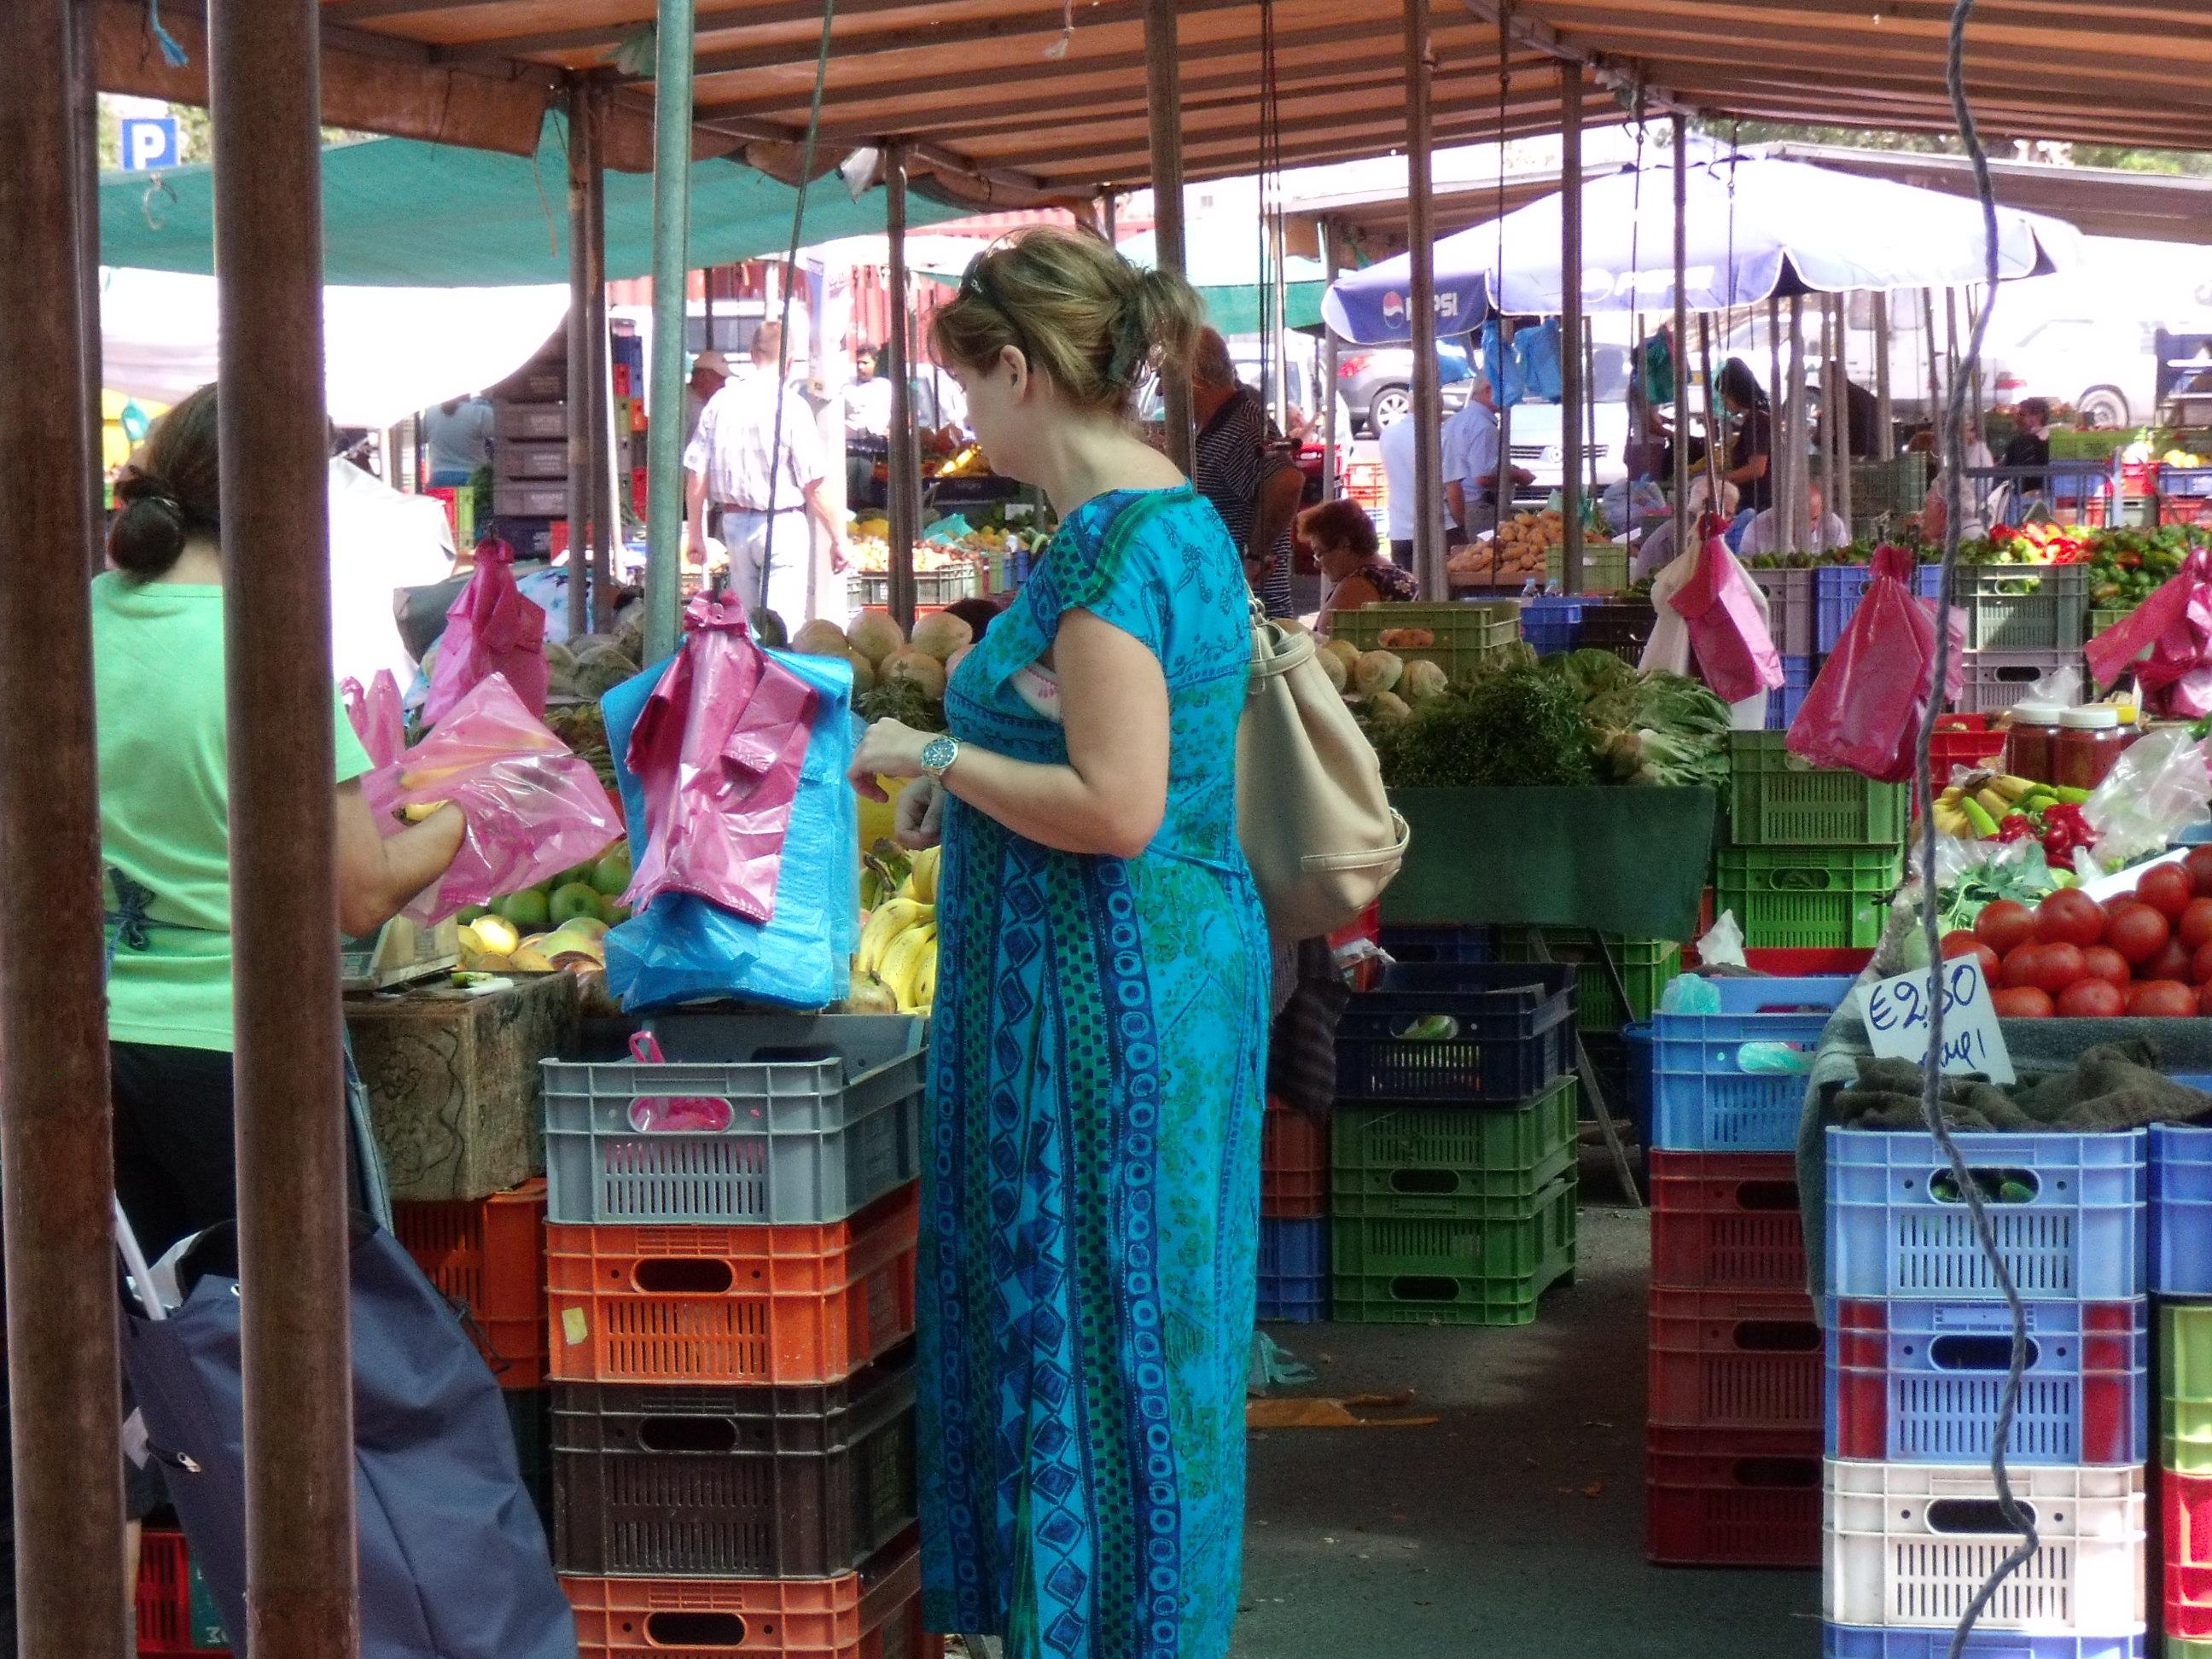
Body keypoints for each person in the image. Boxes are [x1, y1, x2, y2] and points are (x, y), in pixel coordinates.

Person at [845, 227, 1267, 1659]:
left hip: (1101, 1005)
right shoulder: (1179, 520)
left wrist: (928, 748)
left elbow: (1116, 804)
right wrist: (950, 777)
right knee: (1151, 1337)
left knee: (1086, 1334)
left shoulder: (1106, 548)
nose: (964, 419)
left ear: (1020, 370)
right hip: (1154, 979)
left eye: (968, 386)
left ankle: (1089, 1630)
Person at [0, 385, 468, 1646]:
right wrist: (462, 822)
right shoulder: (259, 651)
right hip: (238, 1071)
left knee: (80, 1412)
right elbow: (357, 889)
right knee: (298, 1399)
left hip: (68, 1061)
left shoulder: (62, 629)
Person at [684, 322, 852, 626]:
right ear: (789, 362)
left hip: (733, 524)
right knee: (780, 628)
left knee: (745, 628)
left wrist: (696, 534)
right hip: (782, 524)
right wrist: (838, 537)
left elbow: (697, 472)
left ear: (751, 355)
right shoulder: (791, 406)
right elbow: (814, 484)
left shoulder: (720, 402)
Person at [1190, 326, 1301, 618]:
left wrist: (1254, 555)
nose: (1163, 391)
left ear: (1193, 376)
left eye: (1165, 378)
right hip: (1233, 612)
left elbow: (1287, 481)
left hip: (1253, 618)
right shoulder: (1225, 425)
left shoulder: (1241, 426)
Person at [1441, 370, 1533, 541]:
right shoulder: (1483, 427)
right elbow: (1483, 476)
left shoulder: (1455, 420)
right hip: (1480, 508)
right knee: (1487, 556)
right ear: (1488, 390)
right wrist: (1518, 475)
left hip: (1462, 505)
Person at [1305, 498, 1417, 634]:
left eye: (1319, 553)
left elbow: (1328, 645)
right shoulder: (1393, 573)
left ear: (1343, 544)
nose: (1316, 564)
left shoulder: (1358, 584)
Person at [1632, 476, 1740, 581]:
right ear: (1710, 507)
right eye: (1728, 514)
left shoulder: (1686, 526)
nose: (1730, 521)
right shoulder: (1688, 533)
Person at [1736, 478, 1851, 557]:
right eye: (1801, 520)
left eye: (1814, 518)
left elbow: (1845, 562)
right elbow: (1747, 574)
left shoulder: (1833, 525)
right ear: (1783, 514)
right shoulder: (1756, 529)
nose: (1809, 526)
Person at [1716, 358, 1774, 515]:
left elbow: (1757, 469)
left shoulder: (1757, 421)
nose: (1723, 403)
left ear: (1736, 393)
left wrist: (1721, 480)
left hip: (1759, 503)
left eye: (1724, 396)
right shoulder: (1759, 416)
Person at [1377, 405, 1421, 568]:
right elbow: (1451, 488)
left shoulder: (1388, 433)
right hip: (1432, 529)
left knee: (1406, 588)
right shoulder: (1437, 436)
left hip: (1399, 528)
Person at [422, 393, 493, 488]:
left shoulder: (431, 413)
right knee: (465, 504)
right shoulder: (479, 412)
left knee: (442, 504)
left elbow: (419, 437)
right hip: (470, 479)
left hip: (439, 480)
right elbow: (502, 434)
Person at [2003, 396, 2053, 493]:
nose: (2017, 418)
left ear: (2038, 417)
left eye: (2022, 414)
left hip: (2023, 495)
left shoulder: (2021, 442)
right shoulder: (2052, 440)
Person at [684, 349, 731, 445]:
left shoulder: (713, 403)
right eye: (720, 380)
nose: (723, 386)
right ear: (702, 376)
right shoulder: (682, 403)